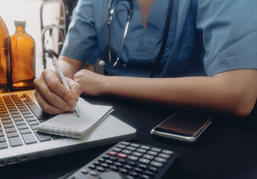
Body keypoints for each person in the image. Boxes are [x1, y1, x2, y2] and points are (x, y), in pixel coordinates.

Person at [34, 0, 257, 118]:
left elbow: (237, 94)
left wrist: (105, 84)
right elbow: (68, 62)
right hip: (113, 119)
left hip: (197, 123)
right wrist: (54, 79)